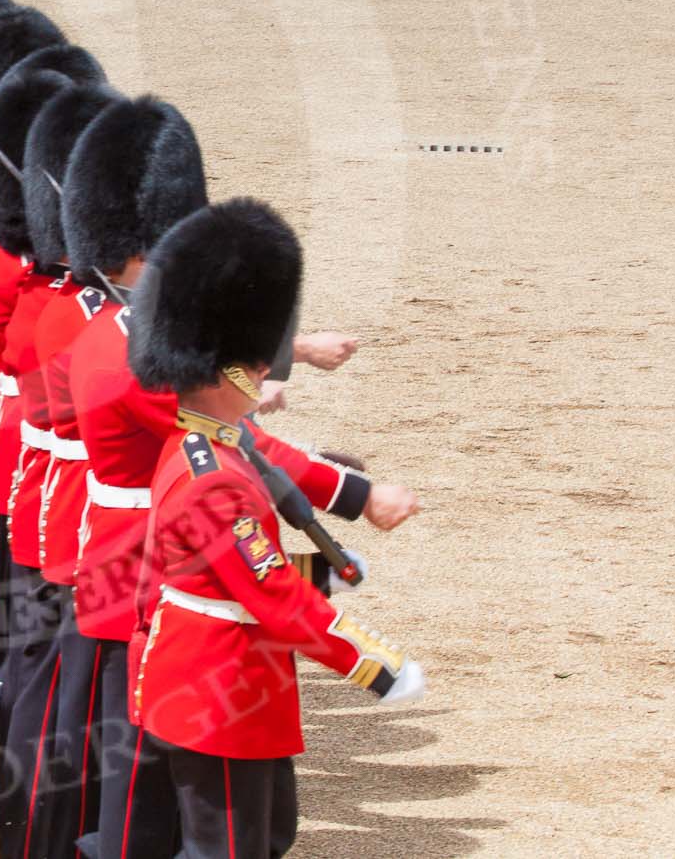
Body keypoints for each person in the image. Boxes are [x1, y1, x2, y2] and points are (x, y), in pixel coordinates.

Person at [125, 198, 423, 859]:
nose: (264, 371)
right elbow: (267, 594)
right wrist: (372, 663)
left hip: (225, 677)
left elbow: (234, 567)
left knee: (264, 836)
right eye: (255, 361)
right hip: (219, 687)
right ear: (220, 368)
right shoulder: (215, 473)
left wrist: (321, 568)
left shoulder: (209, 444)